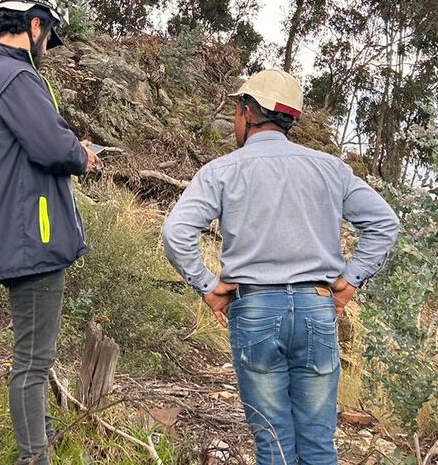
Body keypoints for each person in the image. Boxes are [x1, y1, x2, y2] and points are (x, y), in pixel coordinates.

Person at [161, 69, 400, 465]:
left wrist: (207, 286)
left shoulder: (223, 171)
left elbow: (176, 232)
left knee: (273, 443)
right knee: (319, 444)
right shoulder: (330, 168)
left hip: (254, 309)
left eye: (238, 109)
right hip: (316, 309)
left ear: (249, 112)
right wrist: (349, 281)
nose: (236, 118)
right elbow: (385, 224)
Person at [0, 0, 99, 465]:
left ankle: (38, 447)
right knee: (33, 363)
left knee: (31, 358)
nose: (48, 47)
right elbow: (49, 145)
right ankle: (33, 457)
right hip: (33, 239)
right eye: (48, 36)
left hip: (8, 235)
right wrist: (81, 155)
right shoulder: (17, 77)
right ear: (34, 25)